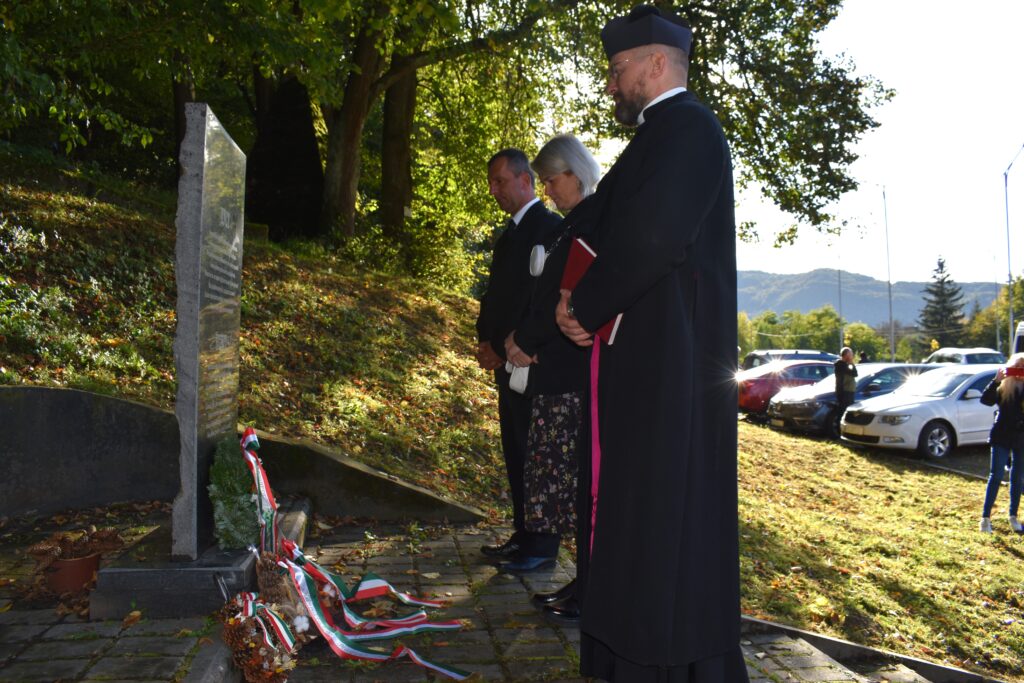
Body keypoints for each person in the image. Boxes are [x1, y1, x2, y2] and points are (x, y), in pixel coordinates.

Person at [555, 6, 748, 681]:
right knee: (636, 521)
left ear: (657, 63)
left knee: (662, 525)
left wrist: (585, 304)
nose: (612, 84)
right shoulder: (658, 137)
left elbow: (655, 239)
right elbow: (596, 227)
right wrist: (567, 296)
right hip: (645, 365)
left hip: (671, 372)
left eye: (619, 69)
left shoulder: (689, 130)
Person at [503, 135, 600, 584]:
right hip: (553, 366)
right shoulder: (570, 223)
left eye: (551, 180)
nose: (547, 190)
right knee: (550, 474)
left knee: (568, 480)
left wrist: (528, 338)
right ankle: (576, 580)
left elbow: (570, 297)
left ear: (576, 174)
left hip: (568, 369)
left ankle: (582, 581)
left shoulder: (592, 221)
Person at [475, 149, 563, 568]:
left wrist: (502, 342)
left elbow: (535, 300)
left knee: (537, 454)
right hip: (506, 361)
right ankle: (524, 534)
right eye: (491, 183)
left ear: (525, 180)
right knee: (515, 451)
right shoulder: (510, 233)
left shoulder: (548, 228)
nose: (494, 190)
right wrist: (485, 340)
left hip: (533, 361)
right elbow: (496, 294)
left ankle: (542, 546)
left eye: (500, 181)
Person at [979, 353, 1024, 533]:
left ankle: (1013, 516)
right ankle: (985, 518)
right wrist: (996, 380)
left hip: (1021, 437)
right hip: (1001, 435)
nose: (1020, 371)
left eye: (1023, 368)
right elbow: (986, 400)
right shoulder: (1004, 387)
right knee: (996, 475)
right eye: (1017, 367)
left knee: (1018, 478)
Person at [834, 347, 858, 435]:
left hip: (849, 392)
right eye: (851, 354)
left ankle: (846, 432)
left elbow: (854, 373)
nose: (852, 356)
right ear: (846, 355)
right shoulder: (841, 365)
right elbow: (854, 373)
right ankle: (839, 432)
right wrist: (851, 363)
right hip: (844, 392)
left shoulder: (846, 365)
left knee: (846, 413)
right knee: (843, 413)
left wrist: (851, 363)